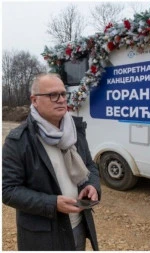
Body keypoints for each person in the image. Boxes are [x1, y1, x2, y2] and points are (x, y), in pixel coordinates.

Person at [2, 73, 101, 251]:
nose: (61, 100)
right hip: (43, 235)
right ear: (34, 100)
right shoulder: (18, 140)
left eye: (63, 94)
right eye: (53, 95)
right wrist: (52, 203)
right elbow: (8, 191)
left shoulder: (74, 130)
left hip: (78, 225)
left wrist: (92, 185)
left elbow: (89, 166)